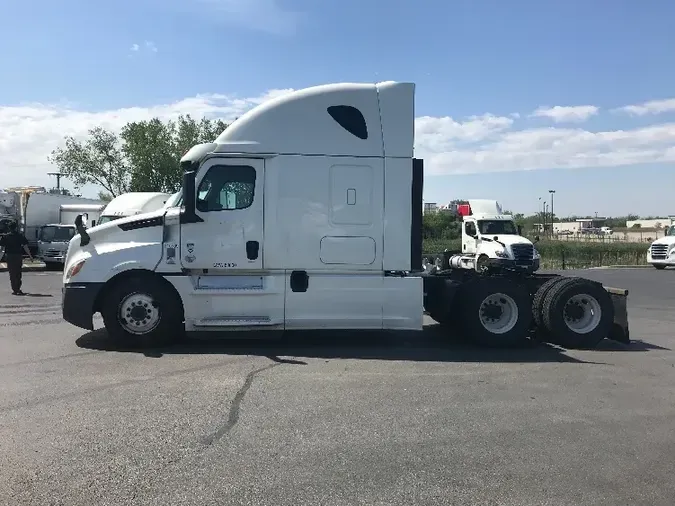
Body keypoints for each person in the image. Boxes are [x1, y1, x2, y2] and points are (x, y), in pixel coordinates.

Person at [0, 222, 33, 295]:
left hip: (9, 256)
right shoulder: (20, 236)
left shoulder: (5, 237)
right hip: (18, 256)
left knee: (12, 273)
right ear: (16, 227)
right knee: (18, 273)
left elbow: (2, 249)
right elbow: (25, 247)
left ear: (9, 228)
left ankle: (15, 289)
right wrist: (30, 256)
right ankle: (17, 288)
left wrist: (0, 258)